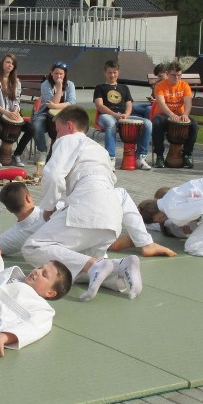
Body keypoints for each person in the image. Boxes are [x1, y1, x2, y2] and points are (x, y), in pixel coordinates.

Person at [22, 106, 175, 302]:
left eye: (57, 129)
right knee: (69, 267)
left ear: (69, 126)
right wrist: (144, 241)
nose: (56, 135)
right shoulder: (100, 151)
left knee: (33, 248)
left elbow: (52, 175)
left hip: (87, 208)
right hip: (111, 220)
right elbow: (122, 196)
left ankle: (96, 265)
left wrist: (49, 208)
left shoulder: (67, 139)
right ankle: (119, 267)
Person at [0, 181, 176, 262]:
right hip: (89, 226)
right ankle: (143, 238)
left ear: (8, 209)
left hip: (77, 241)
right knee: (118, 197)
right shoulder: (57, 209)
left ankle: (133, 240)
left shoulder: (14, 236)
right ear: (29, 197)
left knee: (105, 241)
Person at [93, 60, 153, 170]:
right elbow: (99, 105)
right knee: (111, 123)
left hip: (123, 116)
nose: (112, 75)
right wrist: (114, 114)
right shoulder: (100, 87)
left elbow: (129, 104)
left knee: (148, 123)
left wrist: (126, 114)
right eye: (110, 73)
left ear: (118, 72)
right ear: (105, 73)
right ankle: (110, 158)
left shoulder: (124, 88)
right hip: (106, 116)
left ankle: (140, 157)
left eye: (114, 72)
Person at [0, 53, 34, 167]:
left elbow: (17, 100)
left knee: (31, 128)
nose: (10, 65)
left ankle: (17, 155)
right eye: (7, 62)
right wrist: (7, 113)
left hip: (11, 115)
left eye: (12, 63)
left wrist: (16, 111)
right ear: (2, 63)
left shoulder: (16, 81)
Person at [150, 61, 198, 169]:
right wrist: (171, 114)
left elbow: (188, 103)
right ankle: (159, 156)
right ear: (167, 74)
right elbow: (161, 104)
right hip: (164, 115)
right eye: (173, 75)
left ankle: (186, 155)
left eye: (179, 75)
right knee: (157, 122)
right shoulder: (160, 86)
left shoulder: (184, 85)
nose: (176, 77)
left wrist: (185, 114)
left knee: (194, 124)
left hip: (180, 114)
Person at [31, 61, 77, 156]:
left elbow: (71, 102)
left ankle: (62, 153)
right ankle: (42, 151)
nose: (58, 76)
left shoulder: (70, 85)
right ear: (51, 73)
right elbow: (51, 102)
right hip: (45, 113)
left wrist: (55, 106)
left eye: (61, 74)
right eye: (56, 73)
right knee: (37, 126)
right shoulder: (45, 84)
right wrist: (59, 88)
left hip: (64, 114)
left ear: (65, 74)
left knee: (73, 127)